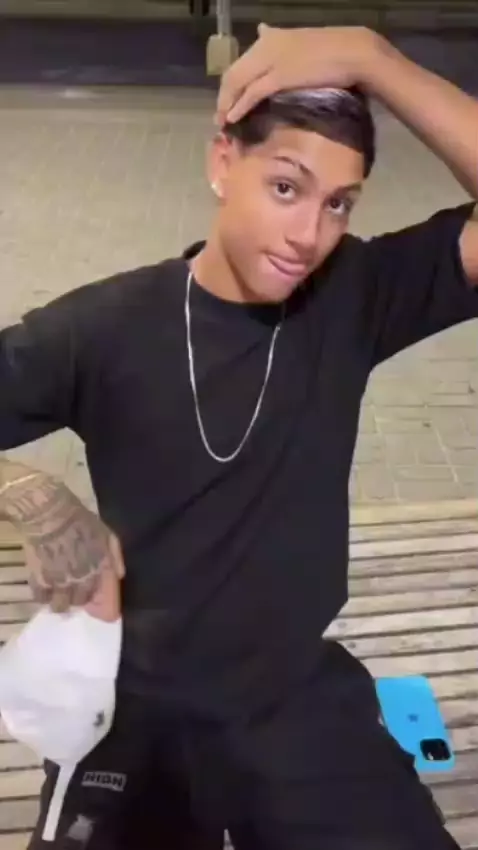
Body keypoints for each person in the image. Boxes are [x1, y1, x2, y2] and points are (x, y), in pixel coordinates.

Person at [0, 23, 477, 850]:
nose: (308, 235)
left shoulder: (353, 296)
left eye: (339, 203)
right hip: (134, 705)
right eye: (286, 187)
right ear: (223, 162)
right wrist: (29, 492)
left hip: (292, 699)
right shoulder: (104, 328)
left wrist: (372, 56)